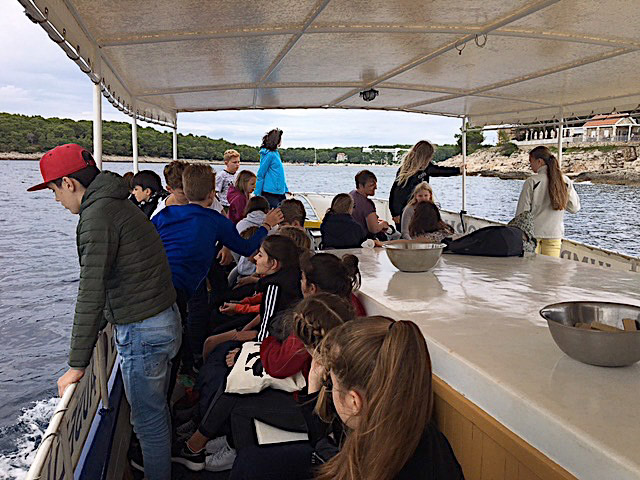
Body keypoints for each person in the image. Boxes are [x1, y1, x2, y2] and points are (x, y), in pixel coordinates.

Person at [28, 144, 180, 480]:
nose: (56, 200)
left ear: (68, 183)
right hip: (161, 319)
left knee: (148, 421)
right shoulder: (118, 204)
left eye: (54, 191)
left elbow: (91, 290)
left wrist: (76, 365)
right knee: (154, 412)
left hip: (143, 330)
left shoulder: (97, 216)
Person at [313, 316, 464, 480]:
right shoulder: (430, 440)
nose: (330, 389)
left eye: (331, 384)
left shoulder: (368, 462)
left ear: (354, 401)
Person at [516, 146, 580, 257]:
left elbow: (522, 213)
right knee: (550, 267)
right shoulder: (564, 181)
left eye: (531, 161)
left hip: (533, 235)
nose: (530, 165)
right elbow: (574, 208)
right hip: (554, 234)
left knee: (531, 266)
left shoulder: (532, 181)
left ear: (539, 161)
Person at [389, 140, 460, 227]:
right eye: (430, 156)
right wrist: (395, 213)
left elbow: (440, 171)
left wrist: (458, 170)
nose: (431, 158)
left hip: (419, 207)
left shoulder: (426, 168)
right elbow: (395, 192)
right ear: (424, 156)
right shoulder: (405, 170)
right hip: (404, 210)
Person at [350, 170, 390, 238]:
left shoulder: (351, 194)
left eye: (375, 184)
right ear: (360, 186)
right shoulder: (367, 204)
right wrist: (383, 224)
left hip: (353, 235)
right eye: (371, 185)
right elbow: (374, 229)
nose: (375, 187)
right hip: (363, 238)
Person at [255, 128, 288, 208]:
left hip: (280, 192)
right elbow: (261, 174)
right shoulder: (269, 155)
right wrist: (257, 194)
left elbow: (279, 174)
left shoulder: (276, 153)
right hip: (270, 193)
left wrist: (286, 189)